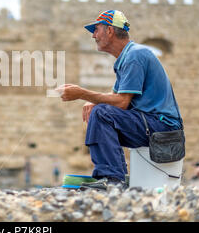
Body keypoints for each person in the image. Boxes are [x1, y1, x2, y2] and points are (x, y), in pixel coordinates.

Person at [56, 10, 183, 190]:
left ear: (110, 31)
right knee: (100, 112)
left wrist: (82, 94)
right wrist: (94, 100)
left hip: (164, 129)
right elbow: (117, 96)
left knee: (101, 114)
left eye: (96, 29)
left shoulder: (135, 56)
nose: (93, 35)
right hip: (155, 127)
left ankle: (113, 178)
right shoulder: (128, 57)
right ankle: (115, 176)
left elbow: (122, 102)